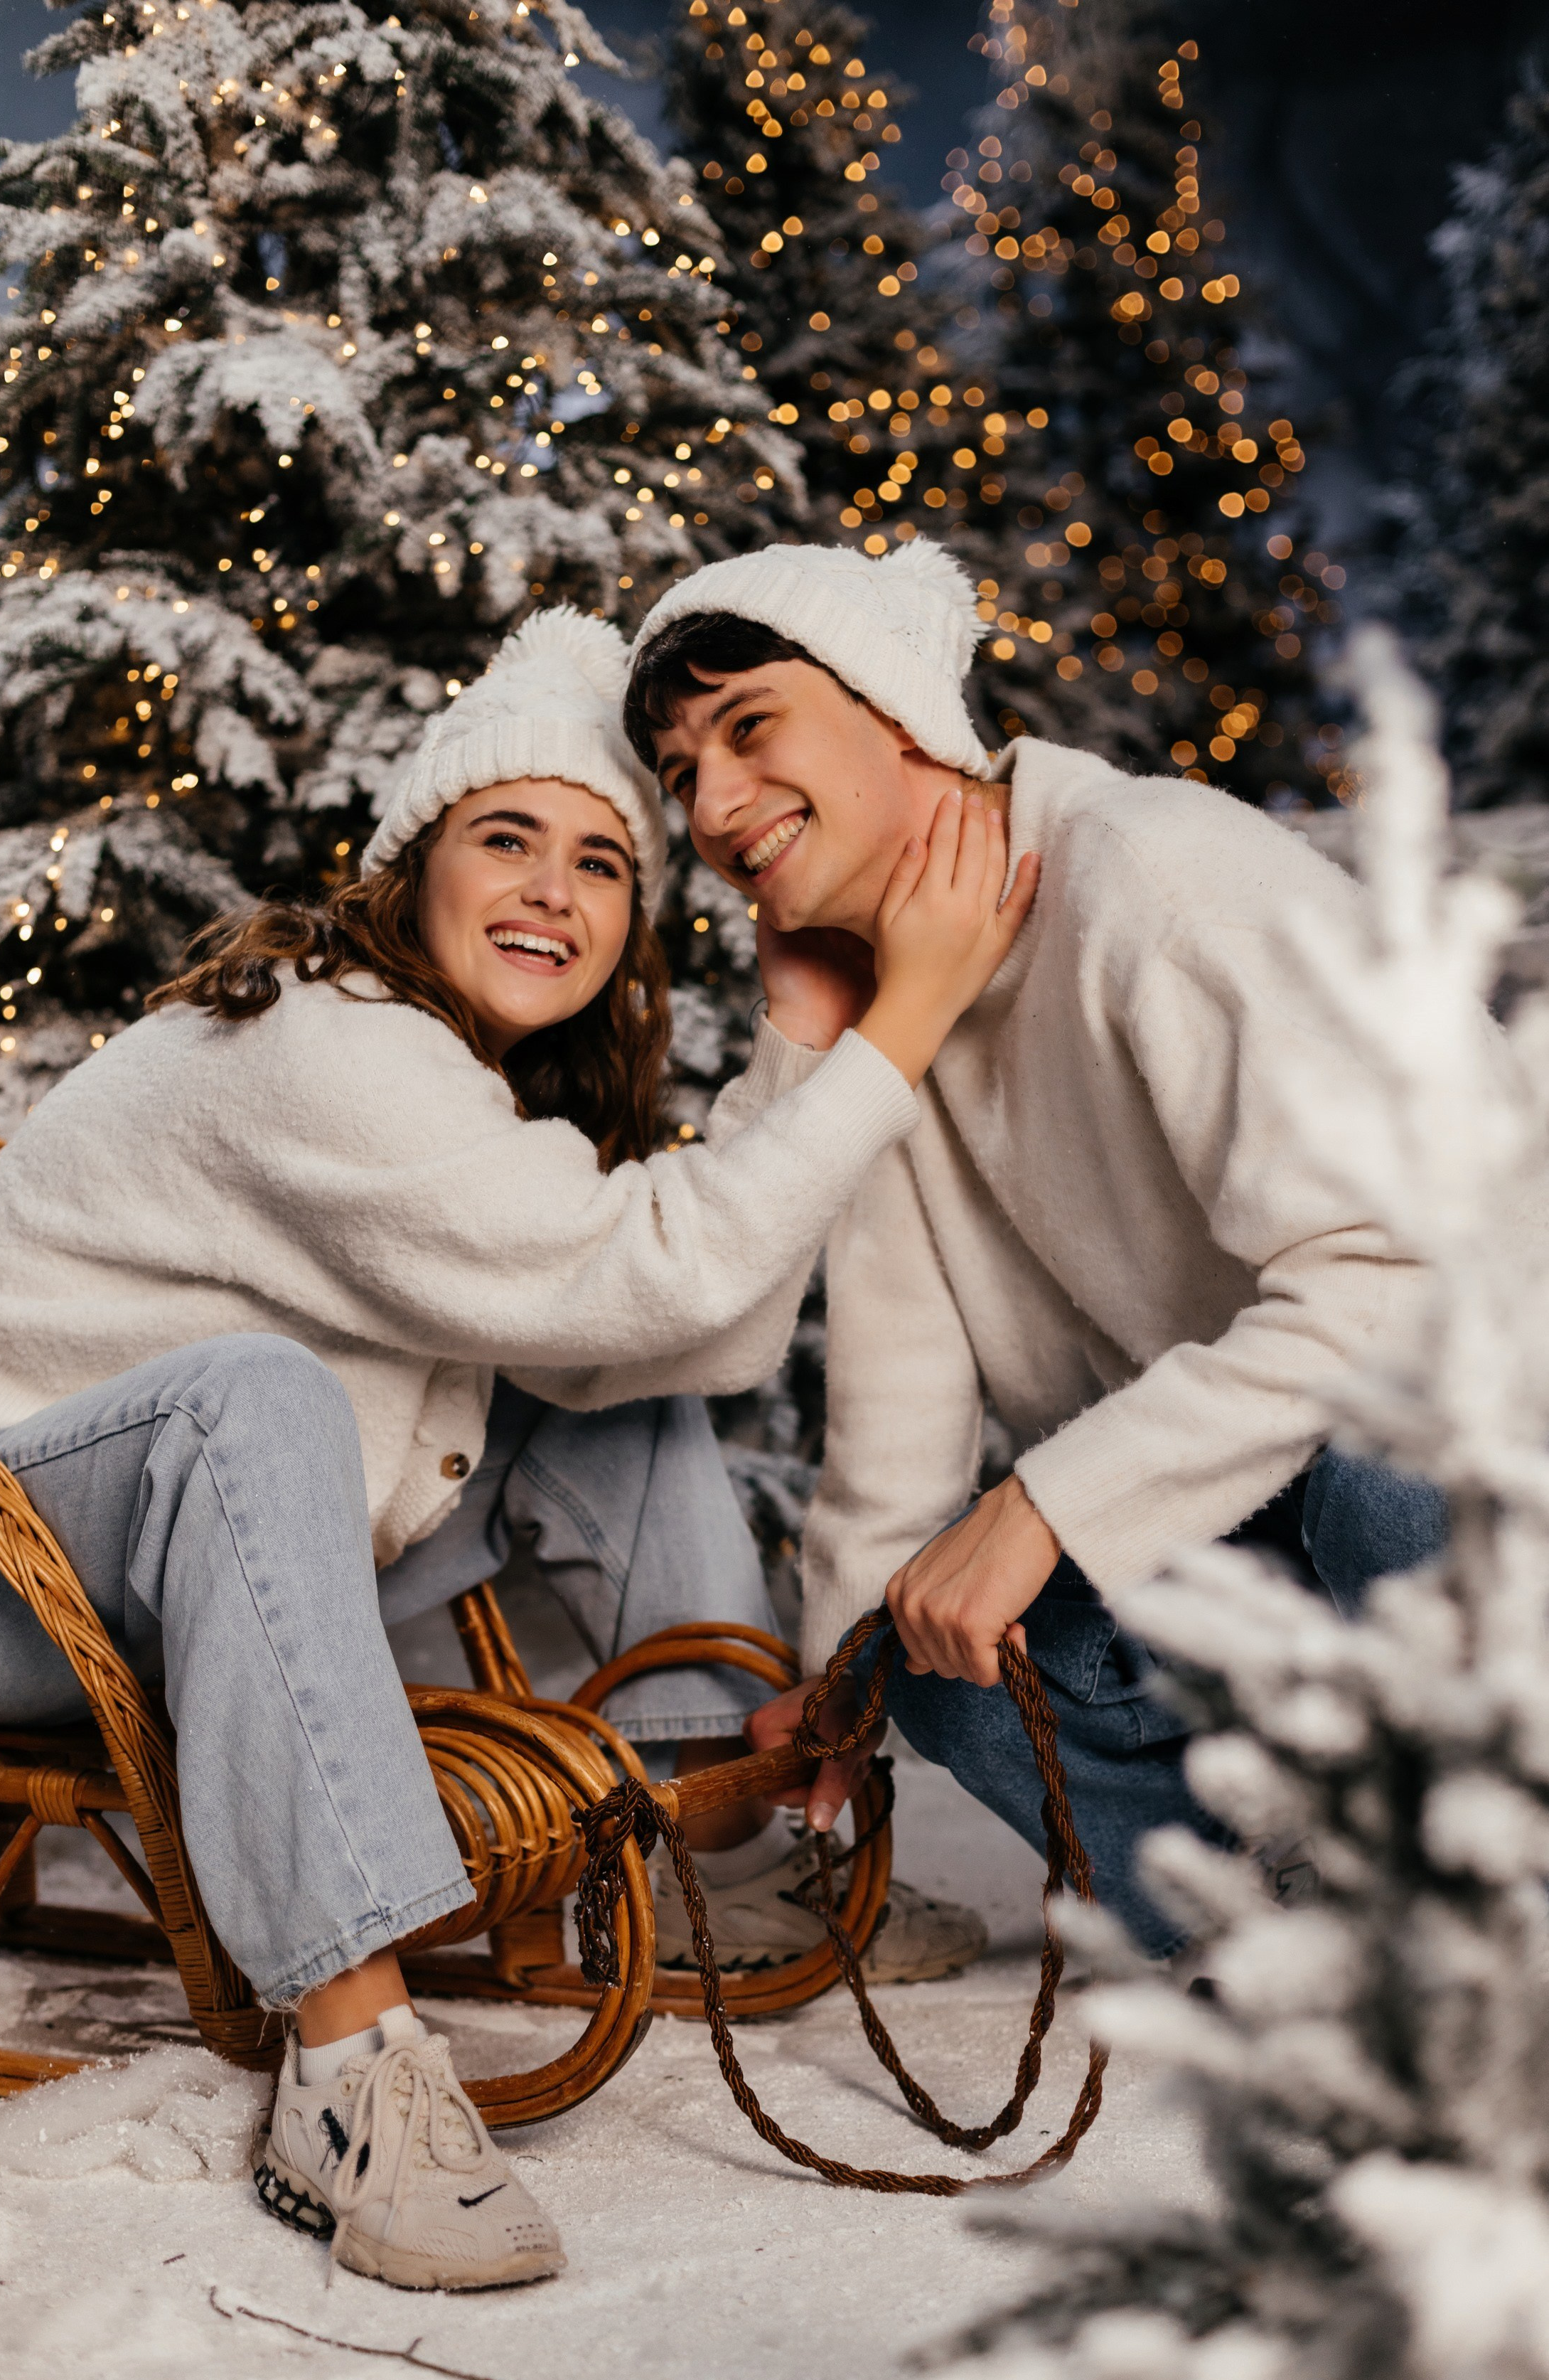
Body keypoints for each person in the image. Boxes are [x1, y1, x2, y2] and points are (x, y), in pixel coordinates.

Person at [0, 606, 1033, 2292]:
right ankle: (351, 2064)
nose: (551, 892)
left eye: (601, 862)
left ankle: (719, 1858)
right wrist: (902, 1019)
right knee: (256, 1392)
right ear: (415, 860)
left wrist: (800, 1040)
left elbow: (689, 1329)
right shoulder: (325, 1041)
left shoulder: (460, 1089)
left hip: (163, 1553)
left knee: (615, 1399)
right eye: (507, 838)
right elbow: (669, 1267)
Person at [622, 540, 1452, 1960]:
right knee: (923, 1648)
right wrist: (844, 1697)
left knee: (1391, 1457)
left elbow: (1413, 1283)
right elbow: (888, 1405)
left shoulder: (1156, 876)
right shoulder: (902, 1026)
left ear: (892, 709)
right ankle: (1288, 1931)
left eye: (749, 726)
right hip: (1265, 1522)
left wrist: (1045, 1508)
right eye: (681, 772)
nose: (710, 802)